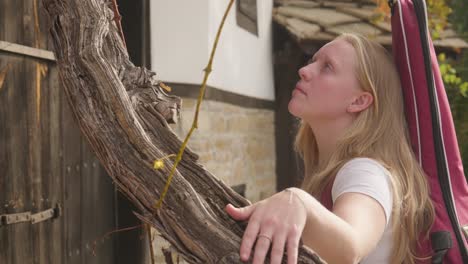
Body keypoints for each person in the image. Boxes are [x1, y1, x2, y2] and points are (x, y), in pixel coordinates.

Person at [225, 33, 435, 264]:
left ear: (359, 101)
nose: (304, 71)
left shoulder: (364, 171)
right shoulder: (336, 172)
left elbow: (351, 246)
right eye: (313, 61)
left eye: (327, 67)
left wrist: (297, 200)